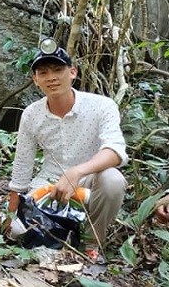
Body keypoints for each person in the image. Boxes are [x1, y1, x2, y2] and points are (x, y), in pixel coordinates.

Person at [7, 41, 128, 258]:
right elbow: (22, 164)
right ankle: (63, 235)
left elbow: (115, 150)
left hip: (90, 181)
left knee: (114, 180)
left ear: (72, 72)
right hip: (49, 183)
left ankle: (91, 244)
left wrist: (77, 172)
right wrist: (11, 214)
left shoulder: (102, 106)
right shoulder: (32, 114)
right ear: (35, 80)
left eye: (58, 70)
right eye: (43, 72)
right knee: (17, 231)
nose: (51, 77)